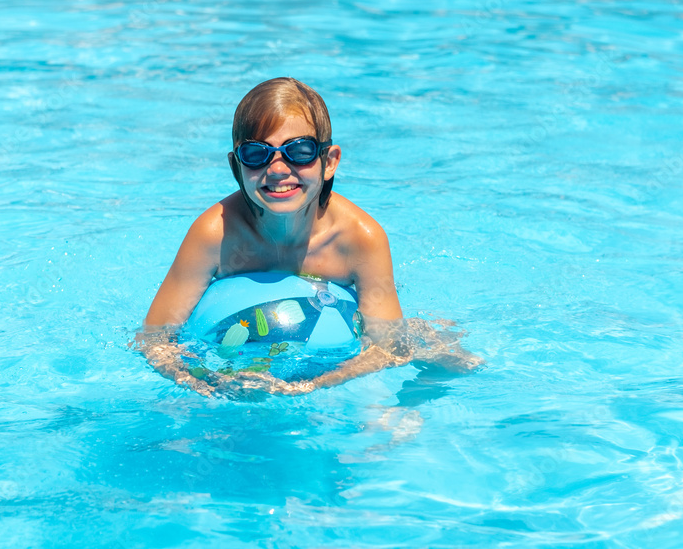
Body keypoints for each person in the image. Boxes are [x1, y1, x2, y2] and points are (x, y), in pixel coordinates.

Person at [140, 77, 477, 395]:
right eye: (256, 154)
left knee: (437, 361)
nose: (277, 169)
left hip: (333, 331)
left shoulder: (360, 239)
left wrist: (311, 386)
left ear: (329, 162)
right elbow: (153, 339)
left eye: (299, 151)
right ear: (235, 166)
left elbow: (386, 349)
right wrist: (204, 381)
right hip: (245, 343)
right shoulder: (216, 234)